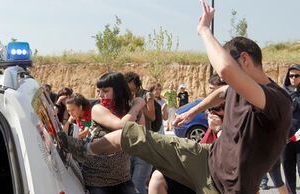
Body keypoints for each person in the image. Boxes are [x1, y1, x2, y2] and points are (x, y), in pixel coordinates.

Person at [58, 1, 292, 193]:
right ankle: (81, 149)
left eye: (232, 66)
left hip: (227, 187)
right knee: (146, 162)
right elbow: (221, 92)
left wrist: (203, 31)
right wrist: (190, 112)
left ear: (244, 60)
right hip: (206, 158)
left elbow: (225, 71)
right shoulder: (239, 88)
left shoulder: (276, 101)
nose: (227, 81)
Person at [60, 72, 145, 194]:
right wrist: (137, 106)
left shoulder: (131, 111)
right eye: (99, 91)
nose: (100, 95)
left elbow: (140, 136)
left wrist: (136, 109)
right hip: (97, 181)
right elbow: (120, 125)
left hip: (123, 178)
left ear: (118, 91)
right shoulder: (98, 109)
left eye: (105, 91)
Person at [125, 72, 155, 194]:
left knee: (138, 183)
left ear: (135, 83)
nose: (127, 85)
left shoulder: (147, 95)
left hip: (144, 140)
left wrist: (139, 105)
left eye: (129, 82)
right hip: (131, 142)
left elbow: (152, 117)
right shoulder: (126, 96)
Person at [282, 64, 300, 194]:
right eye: (291, 75)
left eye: (297, 75)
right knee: (288, 172)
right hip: (286, 139)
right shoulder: (282, 93)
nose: (293, 78)